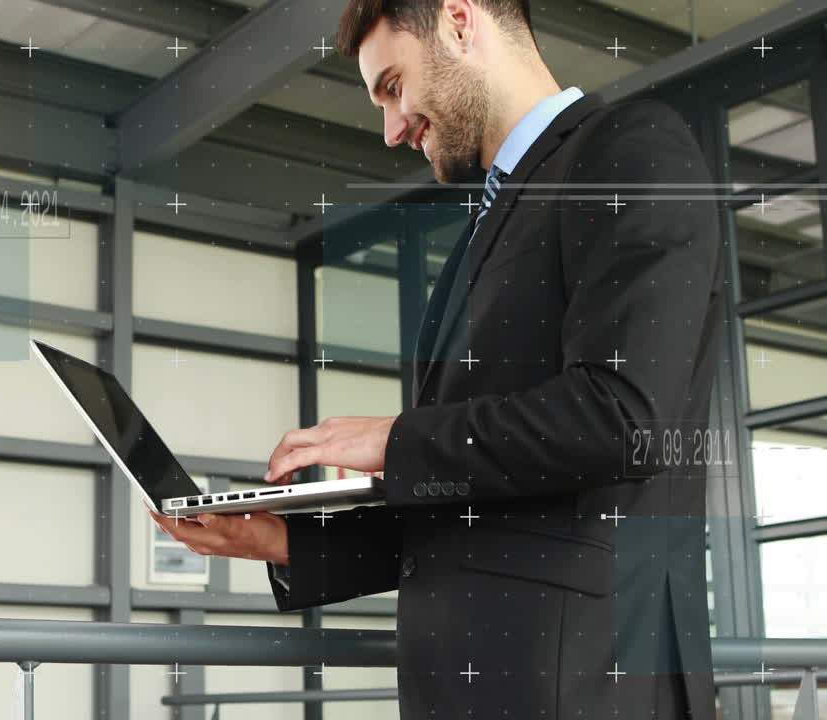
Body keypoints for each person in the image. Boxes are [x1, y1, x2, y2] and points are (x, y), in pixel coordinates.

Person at [149, 0, 722, 716]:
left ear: (458, 20)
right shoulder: (485, 229)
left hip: (581, 688)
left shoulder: (631, 147)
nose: (392, 129)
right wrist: (280, 539)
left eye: (393, 86)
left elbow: (626, 418)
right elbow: (477, 504)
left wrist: (394, 439)